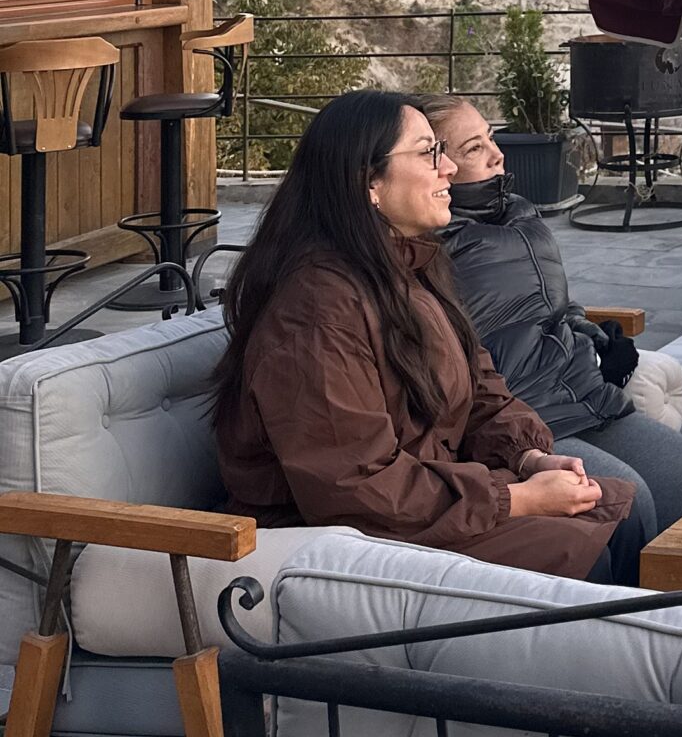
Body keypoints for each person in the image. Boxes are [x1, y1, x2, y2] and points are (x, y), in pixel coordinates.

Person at [213, 92, 648, 584]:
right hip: (348, 539)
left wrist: (528, 456)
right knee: (590, 548)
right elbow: (354, 486)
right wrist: (517, 499)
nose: (449, 169)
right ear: (369, 182)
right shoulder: (315, 312)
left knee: (622, 514)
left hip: (424, 504)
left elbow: (481, 388)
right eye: (428, 153)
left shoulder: (411, 265)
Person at [422, 94, 682, 537]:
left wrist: (594, 335)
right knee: (626, 500)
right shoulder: (430, 243)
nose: (498, 155)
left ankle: (675, 581)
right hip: (520, 415)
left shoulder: (518, 211)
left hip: (581, 391)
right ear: (433, 164)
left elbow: (551, 303)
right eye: (474, 148)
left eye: (491, 138)